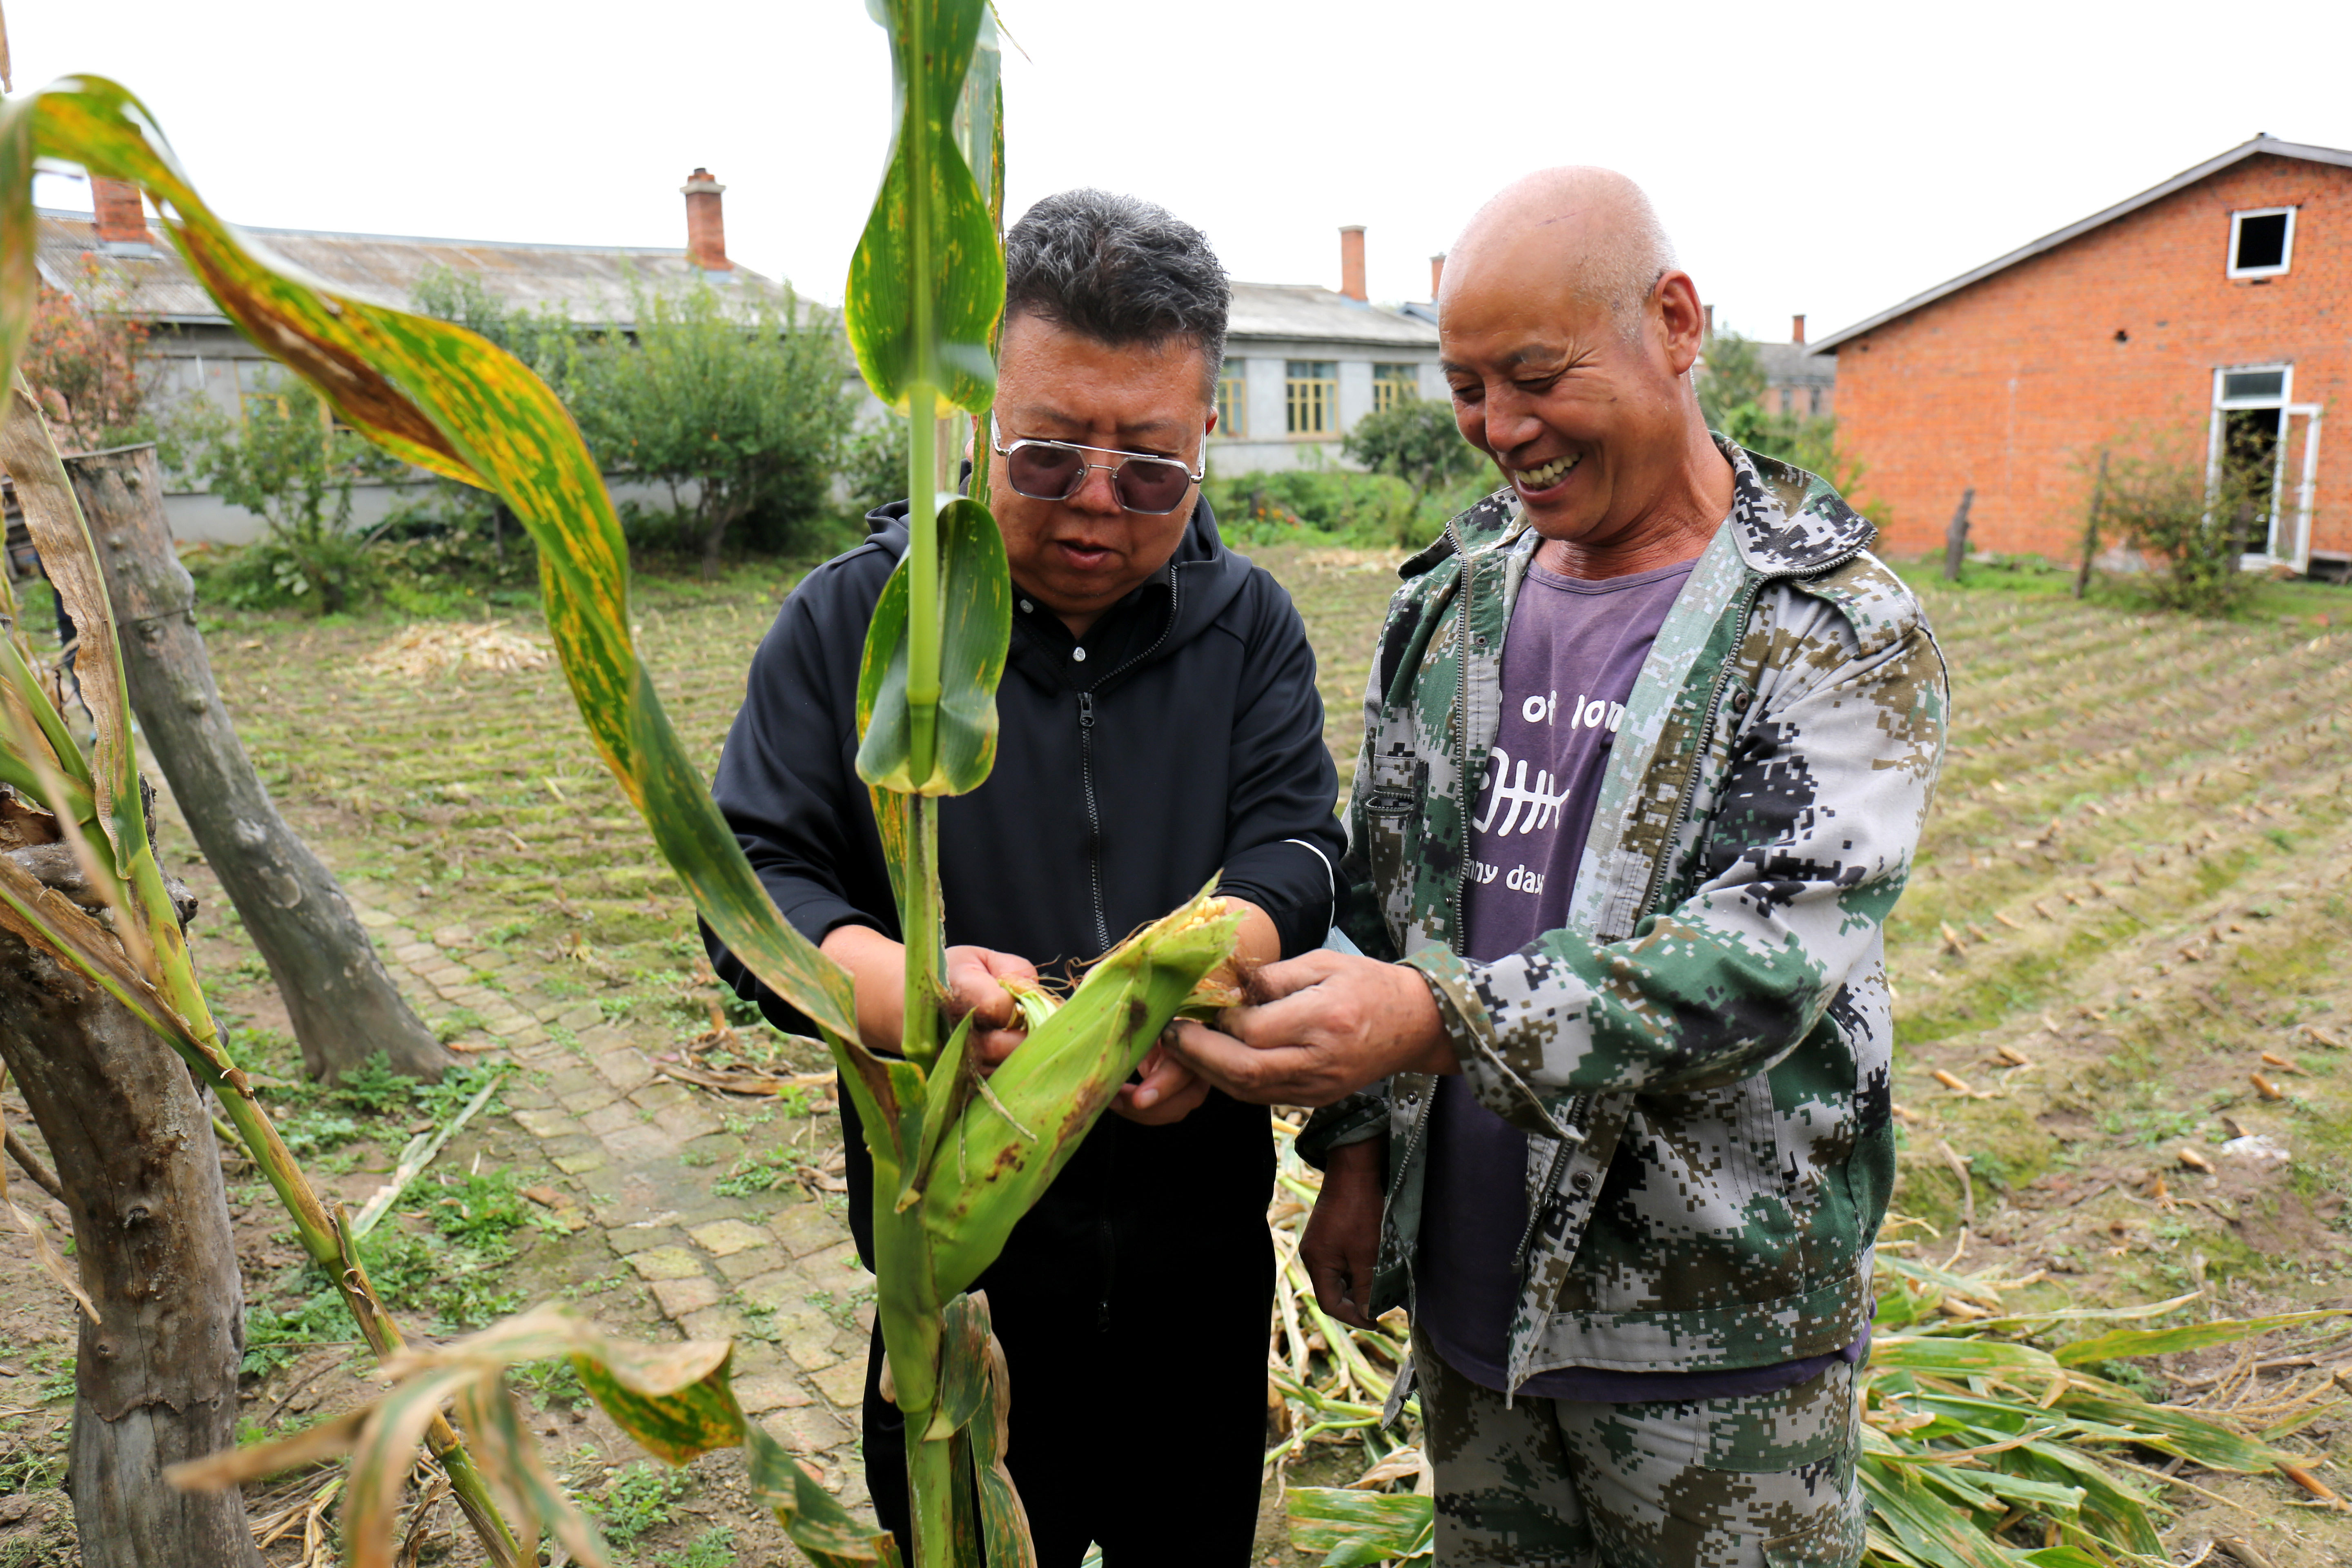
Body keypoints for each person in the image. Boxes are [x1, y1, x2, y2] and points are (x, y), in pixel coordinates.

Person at [1168, 167, 1948, 1568]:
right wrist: (1352, 1153)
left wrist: (1435, 1020)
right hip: (1473, 1308)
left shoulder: (1832, 630)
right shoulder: (1453, 598)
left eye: (1534, 375)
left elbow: (1759, 964)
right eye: (1467, 385)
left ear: (1675, 320)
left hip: (1713, 1340)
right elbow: (1379, 891)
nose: (1501, 430)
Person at [706, 189, 1346, 1566]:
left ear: (1206, 435)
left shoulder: (1250, 630)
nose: (1099, 505)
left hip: (1198, 1275)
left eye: (1152, 467)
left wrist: (1207, 965)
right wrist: (910, 991)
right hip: (962, 1291)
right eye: (1052, 456)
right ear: (976, 416)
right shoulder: (859, 626)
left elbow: (1299, 838)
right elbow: (755, 881)